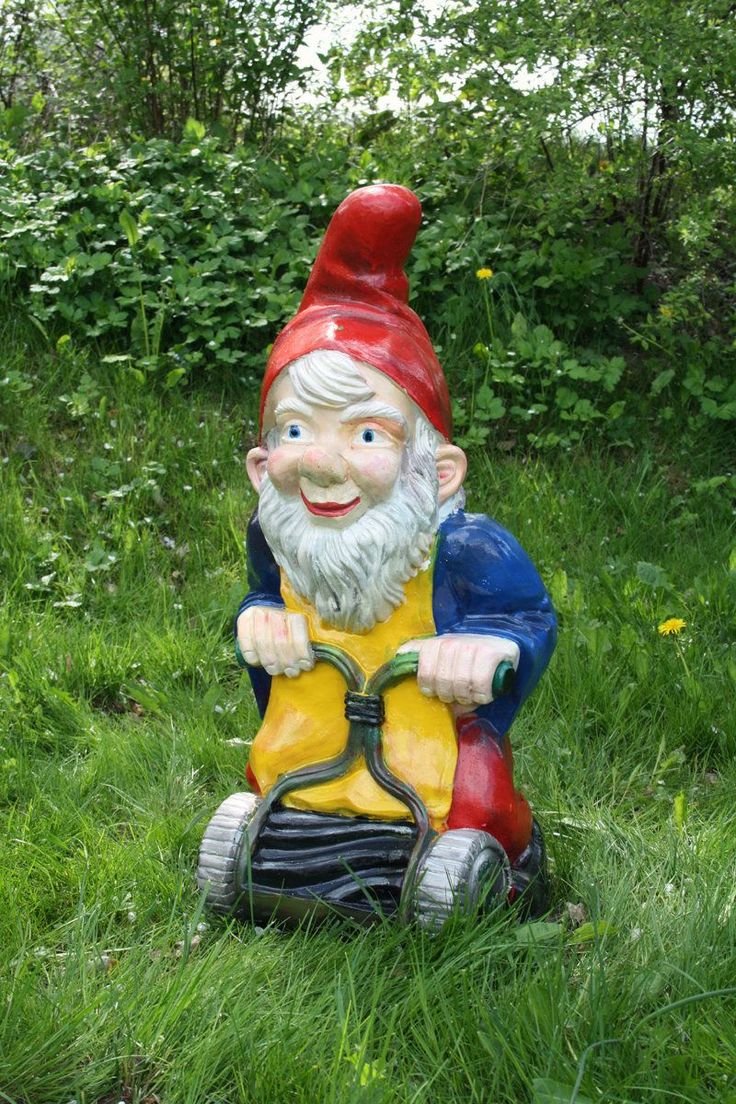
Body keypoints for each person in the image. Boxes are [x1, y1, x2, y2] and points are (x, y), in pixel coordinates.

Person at [235, 184, 556, 867]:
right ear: (261, 467)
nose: (320, 464)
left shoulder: (467, 549)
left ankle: (480, 860)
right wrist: (260, 616)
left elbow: (529, 621)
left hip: (429, 753)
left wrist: (488, 648)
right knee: (275, 774)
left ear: (439, 473)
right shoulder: (277, 535)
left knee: (476, 793)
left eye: (367, 435)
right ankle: (282, 840)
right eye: (295, 431)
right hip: (309, 742)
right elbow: (264, 593)